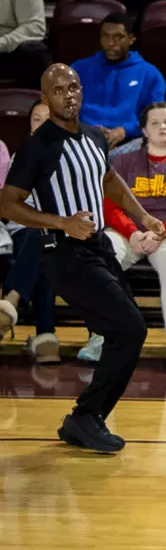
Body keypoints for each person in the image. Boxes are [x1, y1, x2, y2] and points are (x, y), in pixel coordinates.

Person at [0, 63, 166, 452]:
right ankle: (85, 416)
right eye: (59, 90)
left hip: (99, 247)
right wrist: (62, 223)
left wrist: (141, 214)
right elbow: (7, 204)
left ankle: (86, 418)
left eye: (73, 86)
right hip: (63, 252)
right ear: (45, 98)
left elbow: (108, 179)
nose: (69, 94)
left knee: (129, 332)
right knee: (128, 329)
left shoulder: (94, 136)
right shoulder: (37, 146)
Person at [85, 102, 166, 373]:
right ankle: (101, 336)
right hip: (130, 231)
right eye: (155, 123)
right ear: (143, 131)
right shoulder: (122, 163)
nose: (163, 127)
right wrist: (134, 233)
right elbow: (110, 206)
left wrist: (158, 233)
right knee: (105, 254)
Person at [0, 99, 58, 362]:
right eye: (36, 118)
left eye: (48, 118)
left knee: (42, 237)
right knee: (40, 247)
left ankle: (11, 299)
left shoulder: (70, 155)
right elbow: (10, 203)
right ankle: (46, 337)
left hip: (61, 229)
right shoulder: (19, 155)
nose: (42, 123)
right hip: (21, 228)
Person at [72, 12, 166, 152]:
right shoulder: (78, 69)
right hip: (82, 139)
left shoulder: (150, 74)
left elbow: (155, 116)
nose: (110, 43)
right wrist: (86, 129)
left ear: (131, 39)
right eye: (106, 36)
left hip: (129, 142)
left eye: (118, 37)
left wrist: (124, 131)